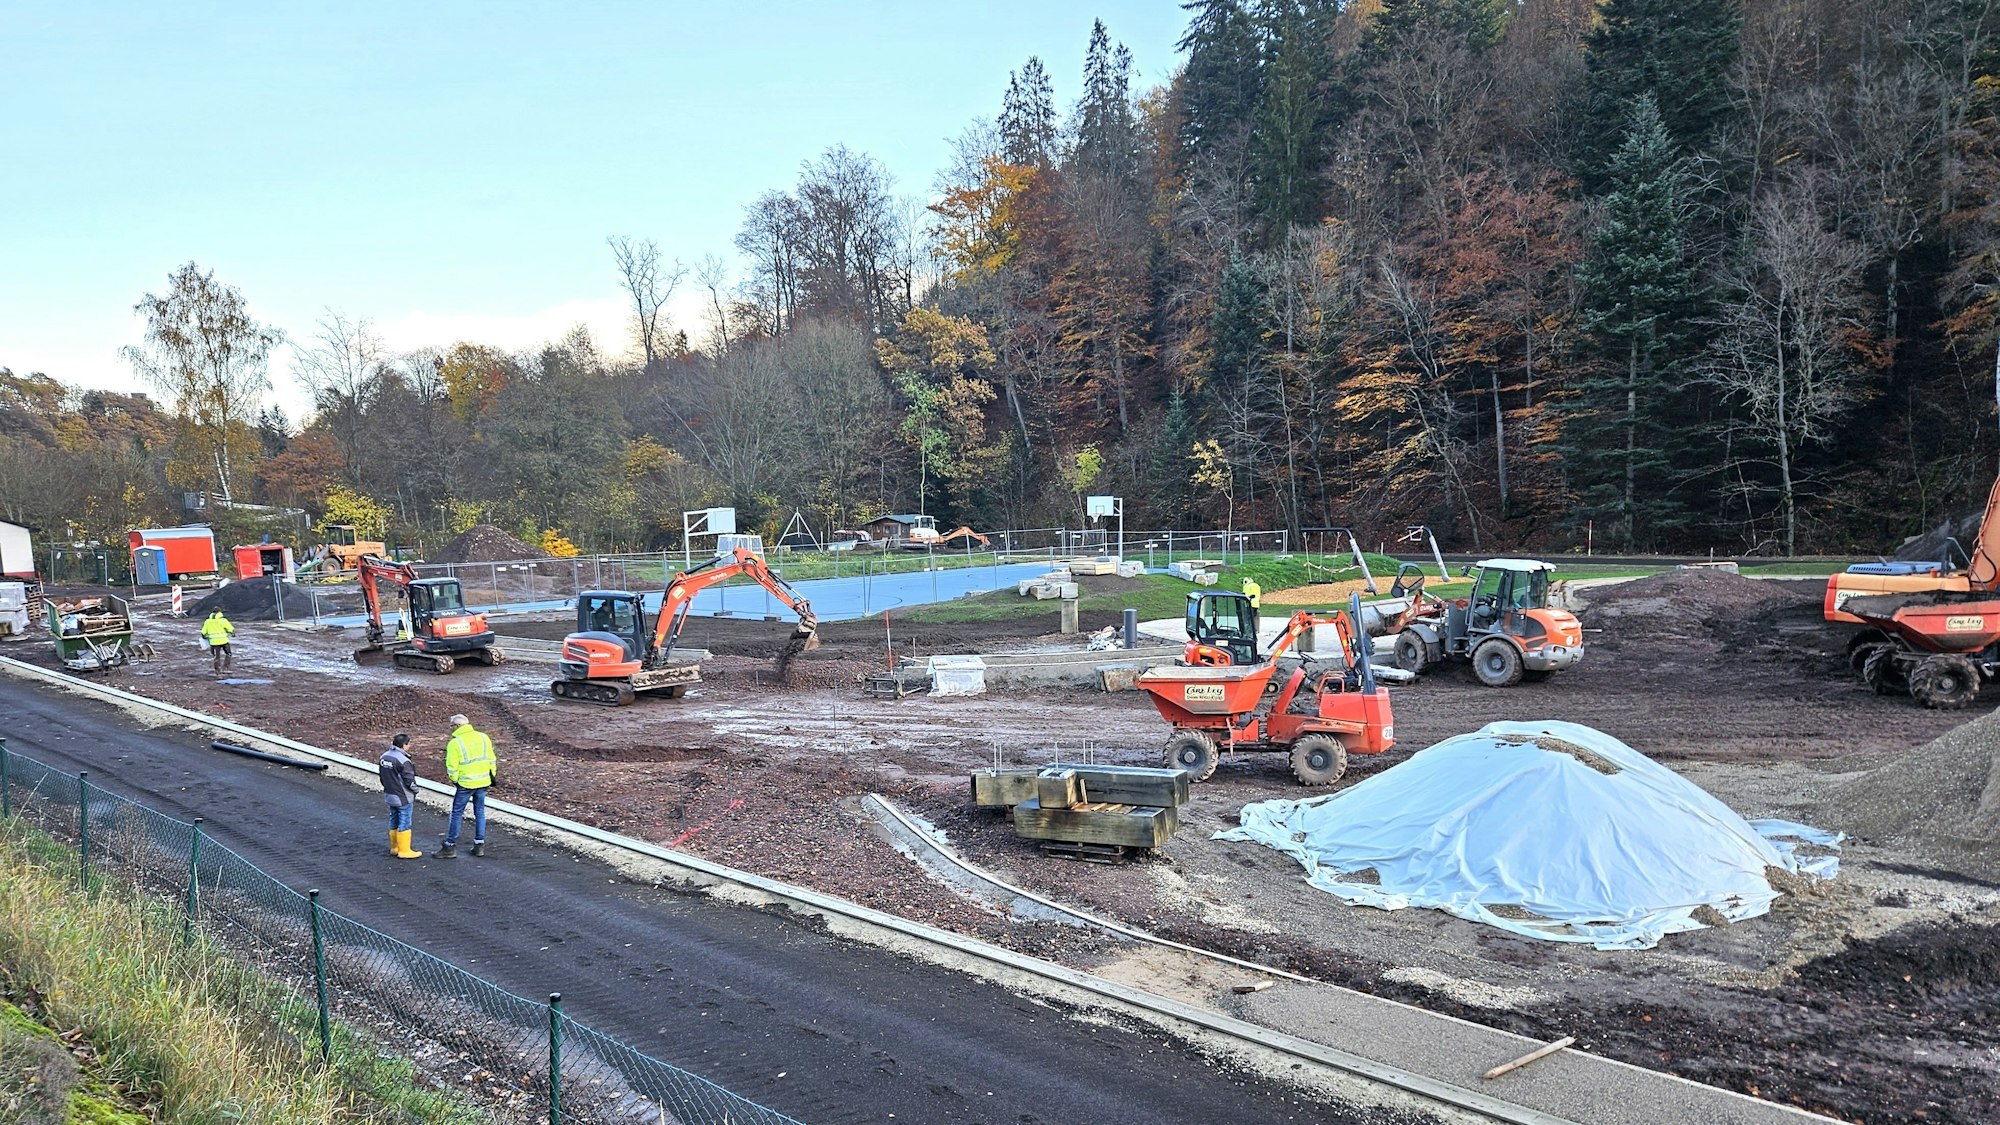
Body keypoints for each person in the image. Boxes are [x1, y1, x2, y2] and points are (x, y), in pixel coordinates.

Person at [439, 713, 495, 858]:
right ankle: (479, 845)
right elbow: (491, 759)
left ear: (457, 726)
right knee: (480, 813)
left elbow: (451, 766)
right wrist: (490, 776)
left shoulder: (455, 743)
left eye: (452, 726)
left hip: (465, 783)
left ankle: (450, 846)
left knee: (457, 813)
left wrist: (455, 780)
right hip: (483, 782)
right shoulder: (483, 737)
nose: (451, 729)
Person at [379, 733, 422, 859]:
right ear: (404, 745)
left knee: (393, 819)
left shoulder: (384, 756)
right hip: (403, 796)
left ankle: (394, 848)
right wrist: (416, 790)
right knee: (404, 821)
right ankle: (404, 850)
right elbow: (409, 781)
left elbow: (382, 777)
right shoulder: (403, 760)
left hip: (389, 794)